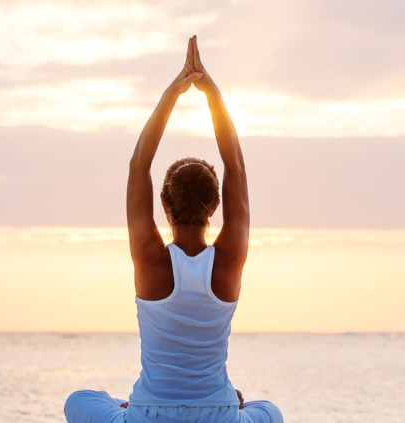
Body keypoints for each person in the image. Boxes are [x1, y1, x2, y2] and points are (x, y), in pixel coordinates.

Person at [63, 36, 282, 423]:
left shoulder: (149, 259)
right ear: (216, 206)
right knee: (269, 411)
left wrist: (174, 91)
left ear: (164, 204)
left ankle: (126, 408)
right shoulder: (229, 259)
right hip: (219, 415)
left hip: (149, 416)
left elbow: (137, 167)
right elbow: (237, 168)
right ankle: (236, 403)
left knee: (80, 399)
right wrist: (211, 92)